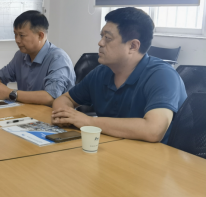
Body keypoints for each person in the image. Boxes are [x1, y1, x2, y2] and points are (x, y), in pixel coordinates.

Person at [51, 7, 187, 143]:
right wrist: (65, 116)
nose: (100, 43)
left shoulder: (162, 76)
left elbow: (153, 130)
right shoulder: (101, 72)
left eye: (108, 38)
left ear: (133, 46)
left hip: (155, 154)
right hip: (113, 147)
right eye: (101, 36)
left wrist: (89, 121)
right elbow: (65, 99)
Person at [0, 11, 75, 106]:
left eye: (22, 35)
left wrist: (10, 93)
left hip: (52, 115)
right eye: (15, 34)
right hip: (26, 111)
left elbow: (50, 97)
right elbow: (1, 77)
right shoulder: (20, 55)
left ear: (40, 36)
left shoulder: (58, 59)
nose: (17, 40)